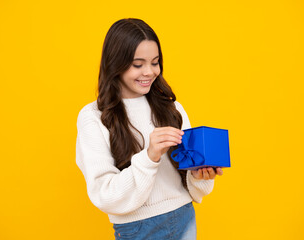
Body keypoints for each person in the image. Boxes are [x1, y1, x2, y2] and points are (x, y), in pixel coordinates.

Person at [76, 18, 224, 240]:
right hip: (138, 229)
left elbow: (190, 183)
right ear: (115, 63)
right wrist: (149, 156)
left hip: (184, 217)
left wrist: (200, 174)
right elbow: (105, 194)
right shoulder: (93, 117)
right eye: (138, 64)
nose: (149, 72)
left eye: (155, 62)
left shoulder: (172, 108)